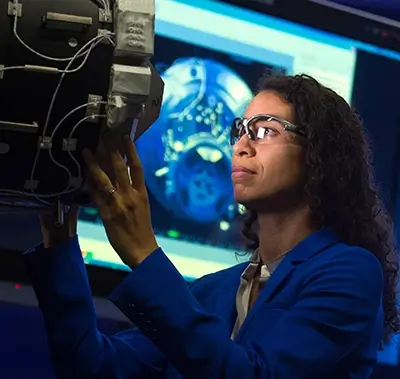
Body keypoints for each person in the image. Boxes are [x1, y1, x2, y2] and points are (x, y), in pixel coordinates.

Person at [25, 74, 399, 379]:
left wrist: (143, 252)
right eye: (240, 129)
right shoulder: (212, 291)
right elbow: (93, 368)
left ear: (321, 156)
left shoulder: (350, 272)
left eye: (266, 130)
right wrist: (59, 235)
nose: (240, 145)